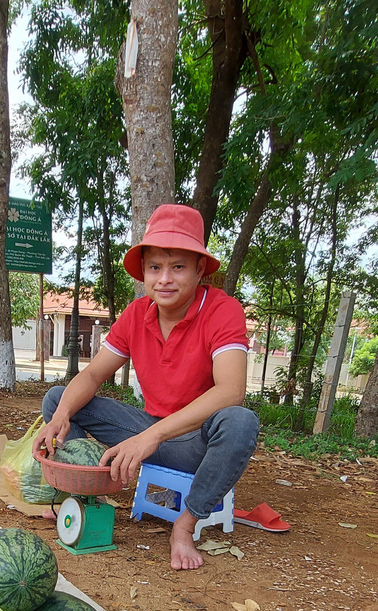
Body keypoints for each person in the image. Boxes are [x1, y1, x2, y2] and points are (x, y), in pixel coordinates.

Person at [34, 204, 259, 571]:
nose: (164, 279)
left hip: (195, 442)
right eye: (155, 268)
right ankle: (83, 501)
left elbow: (231, 390)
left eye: (178, 267)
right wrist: (60, 417)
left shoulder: (223, 310)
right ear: (144, 272)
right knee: (61, 399)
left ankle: (185, 527)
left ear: (200, 269)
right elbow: (91, 375)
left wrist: (151, 437)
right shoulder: (137, 313)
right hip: (146, 428)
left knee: (240, 420)